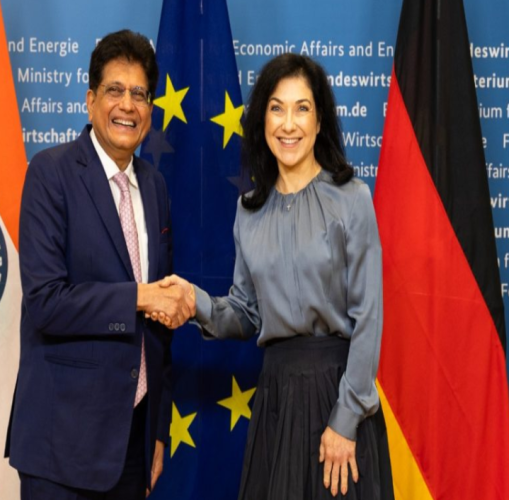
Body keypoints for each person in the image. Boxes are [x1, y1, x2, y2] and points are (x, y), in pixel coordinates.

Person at [154, 53, 394, 499]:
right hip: (276, 401)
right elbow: (246, 313)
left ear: (319, 121)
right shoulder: (249, 211)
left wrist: (345, 420)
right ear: (262, 120)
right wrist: (194, 301)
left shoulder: (352, 198)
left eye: (302, 108)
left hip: (339, 395)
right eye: (277, 108)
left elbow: (369, 318)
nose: (288, 124)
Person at [6, 30, 194, 500]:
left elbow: (160, 328)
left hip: (132, 444)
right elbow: (46, 303)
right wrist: (140, 297)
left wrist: (157, 429)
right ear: (91, 101)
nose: (127, 105)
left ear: (150, 108)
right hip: (62, 447)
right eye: (115, 90)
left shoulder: (155, 187)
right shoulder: (50, 173)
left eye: (139, 94)